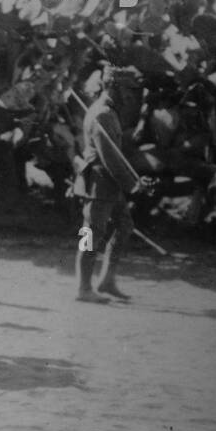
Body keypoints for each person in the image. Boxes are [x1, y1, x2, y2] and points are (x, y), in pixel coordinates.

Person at [74, 65, 145, 303]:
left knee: (123, 226)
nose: (130, 95)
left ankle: (106, 280)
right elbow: (110, 158)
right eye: (126, 89)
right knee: (90, 234)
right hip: (98, 182)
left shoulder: (110, 111)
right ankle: (83, 288)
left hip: (109, 183)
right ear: (113, 86)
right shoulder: (102, 113)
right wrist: (133, 184)